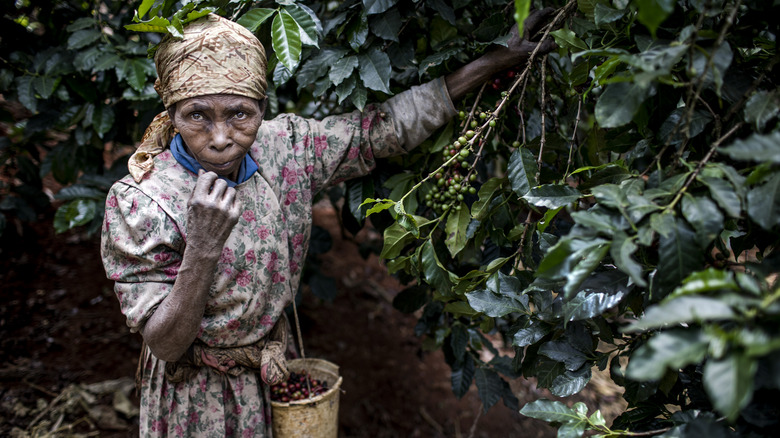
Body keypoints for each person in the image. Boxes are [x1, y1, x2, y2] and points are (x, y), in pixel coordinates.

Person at [100, 9, 554, 437]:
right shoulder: (142, 202)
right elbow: (165, 344)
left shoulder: (285, 148)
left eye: (240, 114)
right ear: (172, 113)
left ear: (262, 106)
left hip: (274, 371)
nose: (220, 137)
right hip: (193, 396)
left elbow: (381, 131)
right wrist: (202, 247)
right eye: (197, 115)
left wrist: (499, 59)